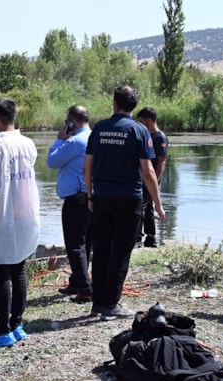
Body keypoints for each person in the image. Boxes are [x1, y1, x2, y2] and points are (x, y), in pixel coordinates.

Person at [83, 85, 165, 321]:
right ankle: (110, 304)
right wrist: (158, 204)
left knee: (100, 250)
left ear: (114, 103)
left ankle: (98, 302)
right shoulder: (139, 131)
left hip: (102, 197)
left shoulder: (99, 128)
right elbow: (148, 172)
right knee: (120, 251)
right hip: (128, 199)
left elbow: (87, 167)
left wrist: (90, 195)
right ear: (134, 107)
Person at [0, 97, 40, 347]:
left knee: (1, 271)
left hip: (2, 217)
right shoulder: (28, 144)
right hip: (25, 214)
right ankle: (17, 323)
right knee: (19, 268)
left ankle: (2, 329)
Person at [47, 105, 93, 303]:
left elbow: (52, 161)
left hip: (76, 200)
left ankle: (85, 288)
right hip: (89, 198)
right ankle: (76, 281)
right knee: (86, 244)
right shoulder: (93, 136)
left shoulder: (75, 141)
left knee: (75, 246)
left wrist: (60, 139)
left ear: (72, 122)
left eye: (67, 122)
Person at [136, 107, 169, 248]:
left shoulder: (159, 137)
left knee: (140, 206)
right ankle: (149, 238)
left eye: (141, 121)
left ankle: (139, 237)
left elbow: (161, 161)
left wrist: (154, 180)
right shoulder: (146, 136)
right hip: (144, 177)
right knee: (147, 206)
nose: (139, 124)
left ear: (148, 120)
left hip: (151, 178)